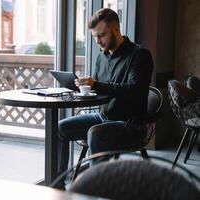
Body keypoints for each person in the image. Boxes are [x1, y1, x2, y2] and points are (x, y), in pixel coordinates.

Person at [56, 8, 153, 189]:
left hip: (131, 123)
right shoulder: (102, 57)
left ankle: (98, 190)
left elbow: (135, 90)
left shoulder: (140, 55)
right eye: (94, 37)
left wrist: (96, 85)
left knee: (96, 133)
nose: (97, 41)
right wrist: (82, 87)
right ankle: (57, 187)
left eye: (101, 35)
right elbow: (99, 90)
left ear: (116, 30)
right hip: (104, 117)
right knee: (62, 128)